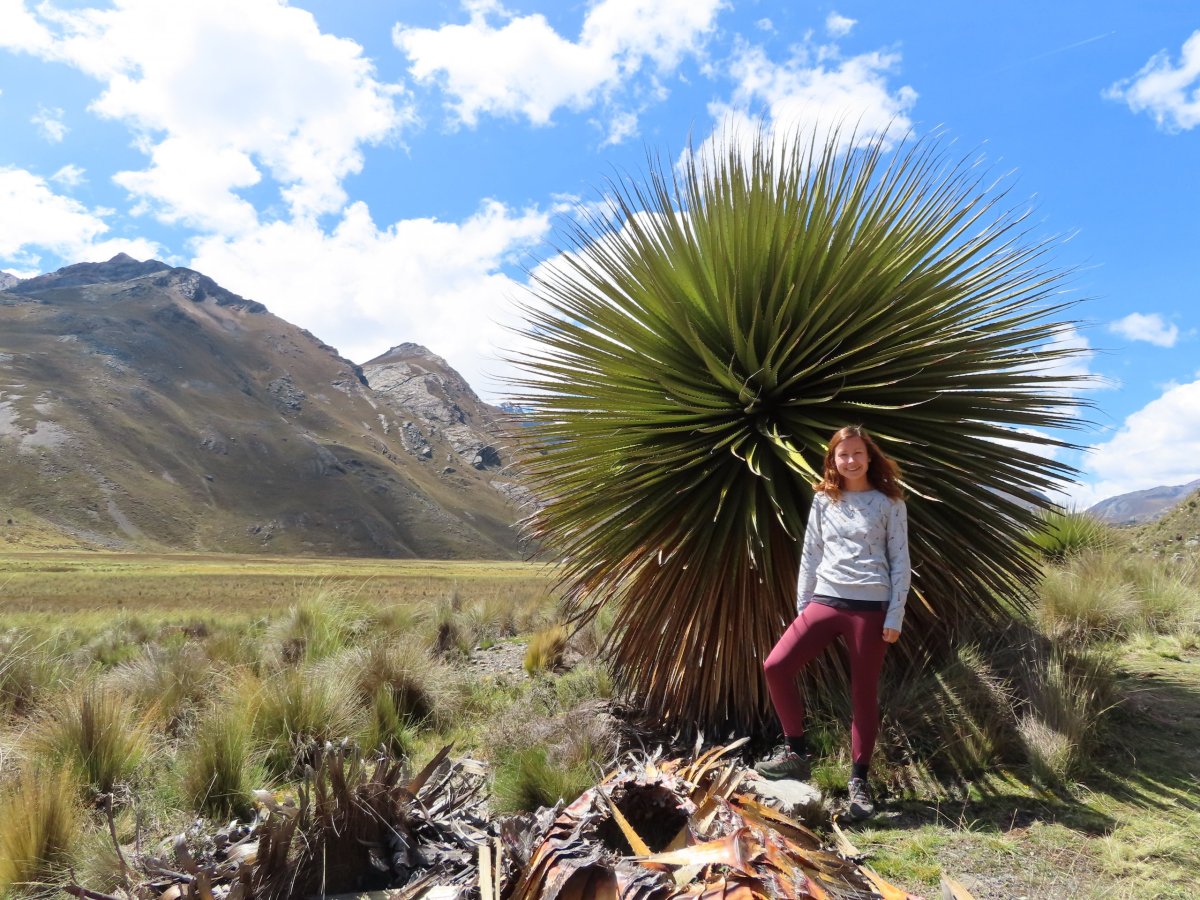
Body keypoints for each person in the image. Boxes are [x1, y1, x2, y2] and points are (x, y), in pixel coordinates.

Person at [754, 425, 910, 821]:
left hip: (871, 608)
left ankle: (859, 782)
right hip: (825, 600)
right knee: (776, 665)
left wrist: (895, 613)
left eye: (858, 453)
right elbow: (811, 553)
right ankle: (796, 752)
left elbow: (900, 561)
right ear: (833, 460)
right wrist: (804, 606)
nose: (851, 460)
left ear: (869, 456)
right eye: (843, 455)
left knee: (862, 694)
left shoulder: (890, 502)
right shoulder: (824, 500)